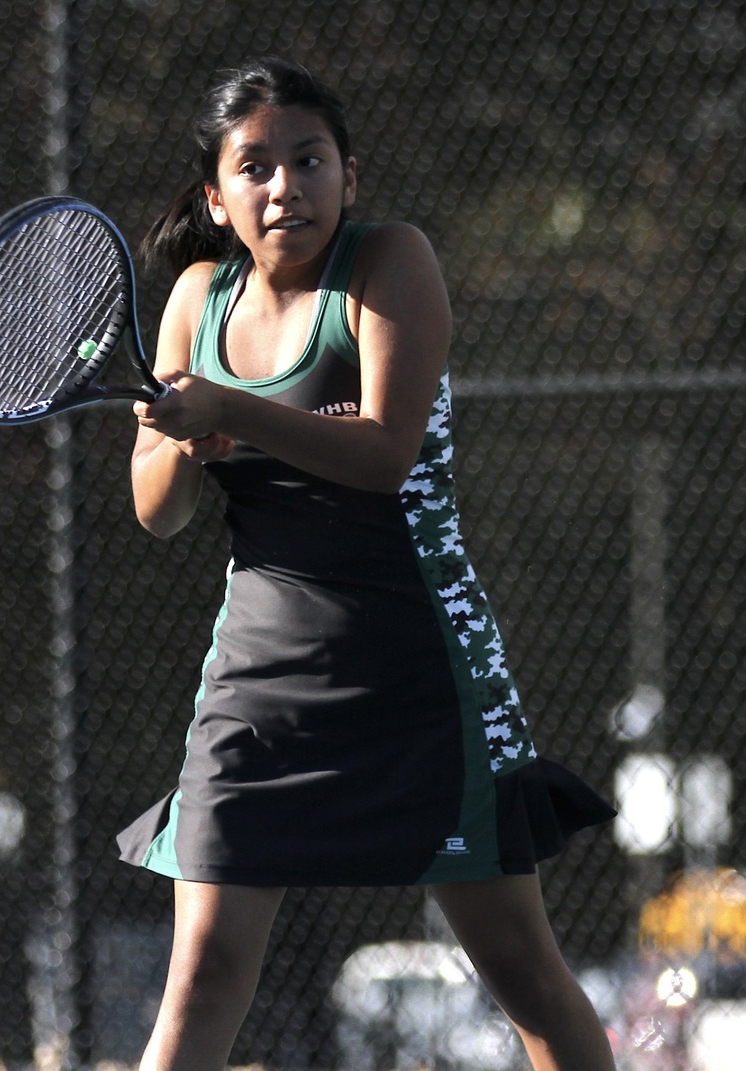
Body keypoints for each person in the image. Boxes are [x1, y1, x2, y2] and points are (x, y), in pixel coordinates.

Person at [116, 57, 618, 1071]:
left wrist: (228, 411)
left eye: (309, 160)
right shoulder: (194, 300)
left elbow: (386, 455)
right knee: (203, 976)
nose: (284, 186)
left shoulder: (392, 263)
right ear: (217, 200)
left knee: (523, 973)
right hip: (257, 681)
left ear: (351, 176)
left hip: (421, 669)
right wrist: (175, 440)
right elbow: (157, 514)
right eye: (253, 168)